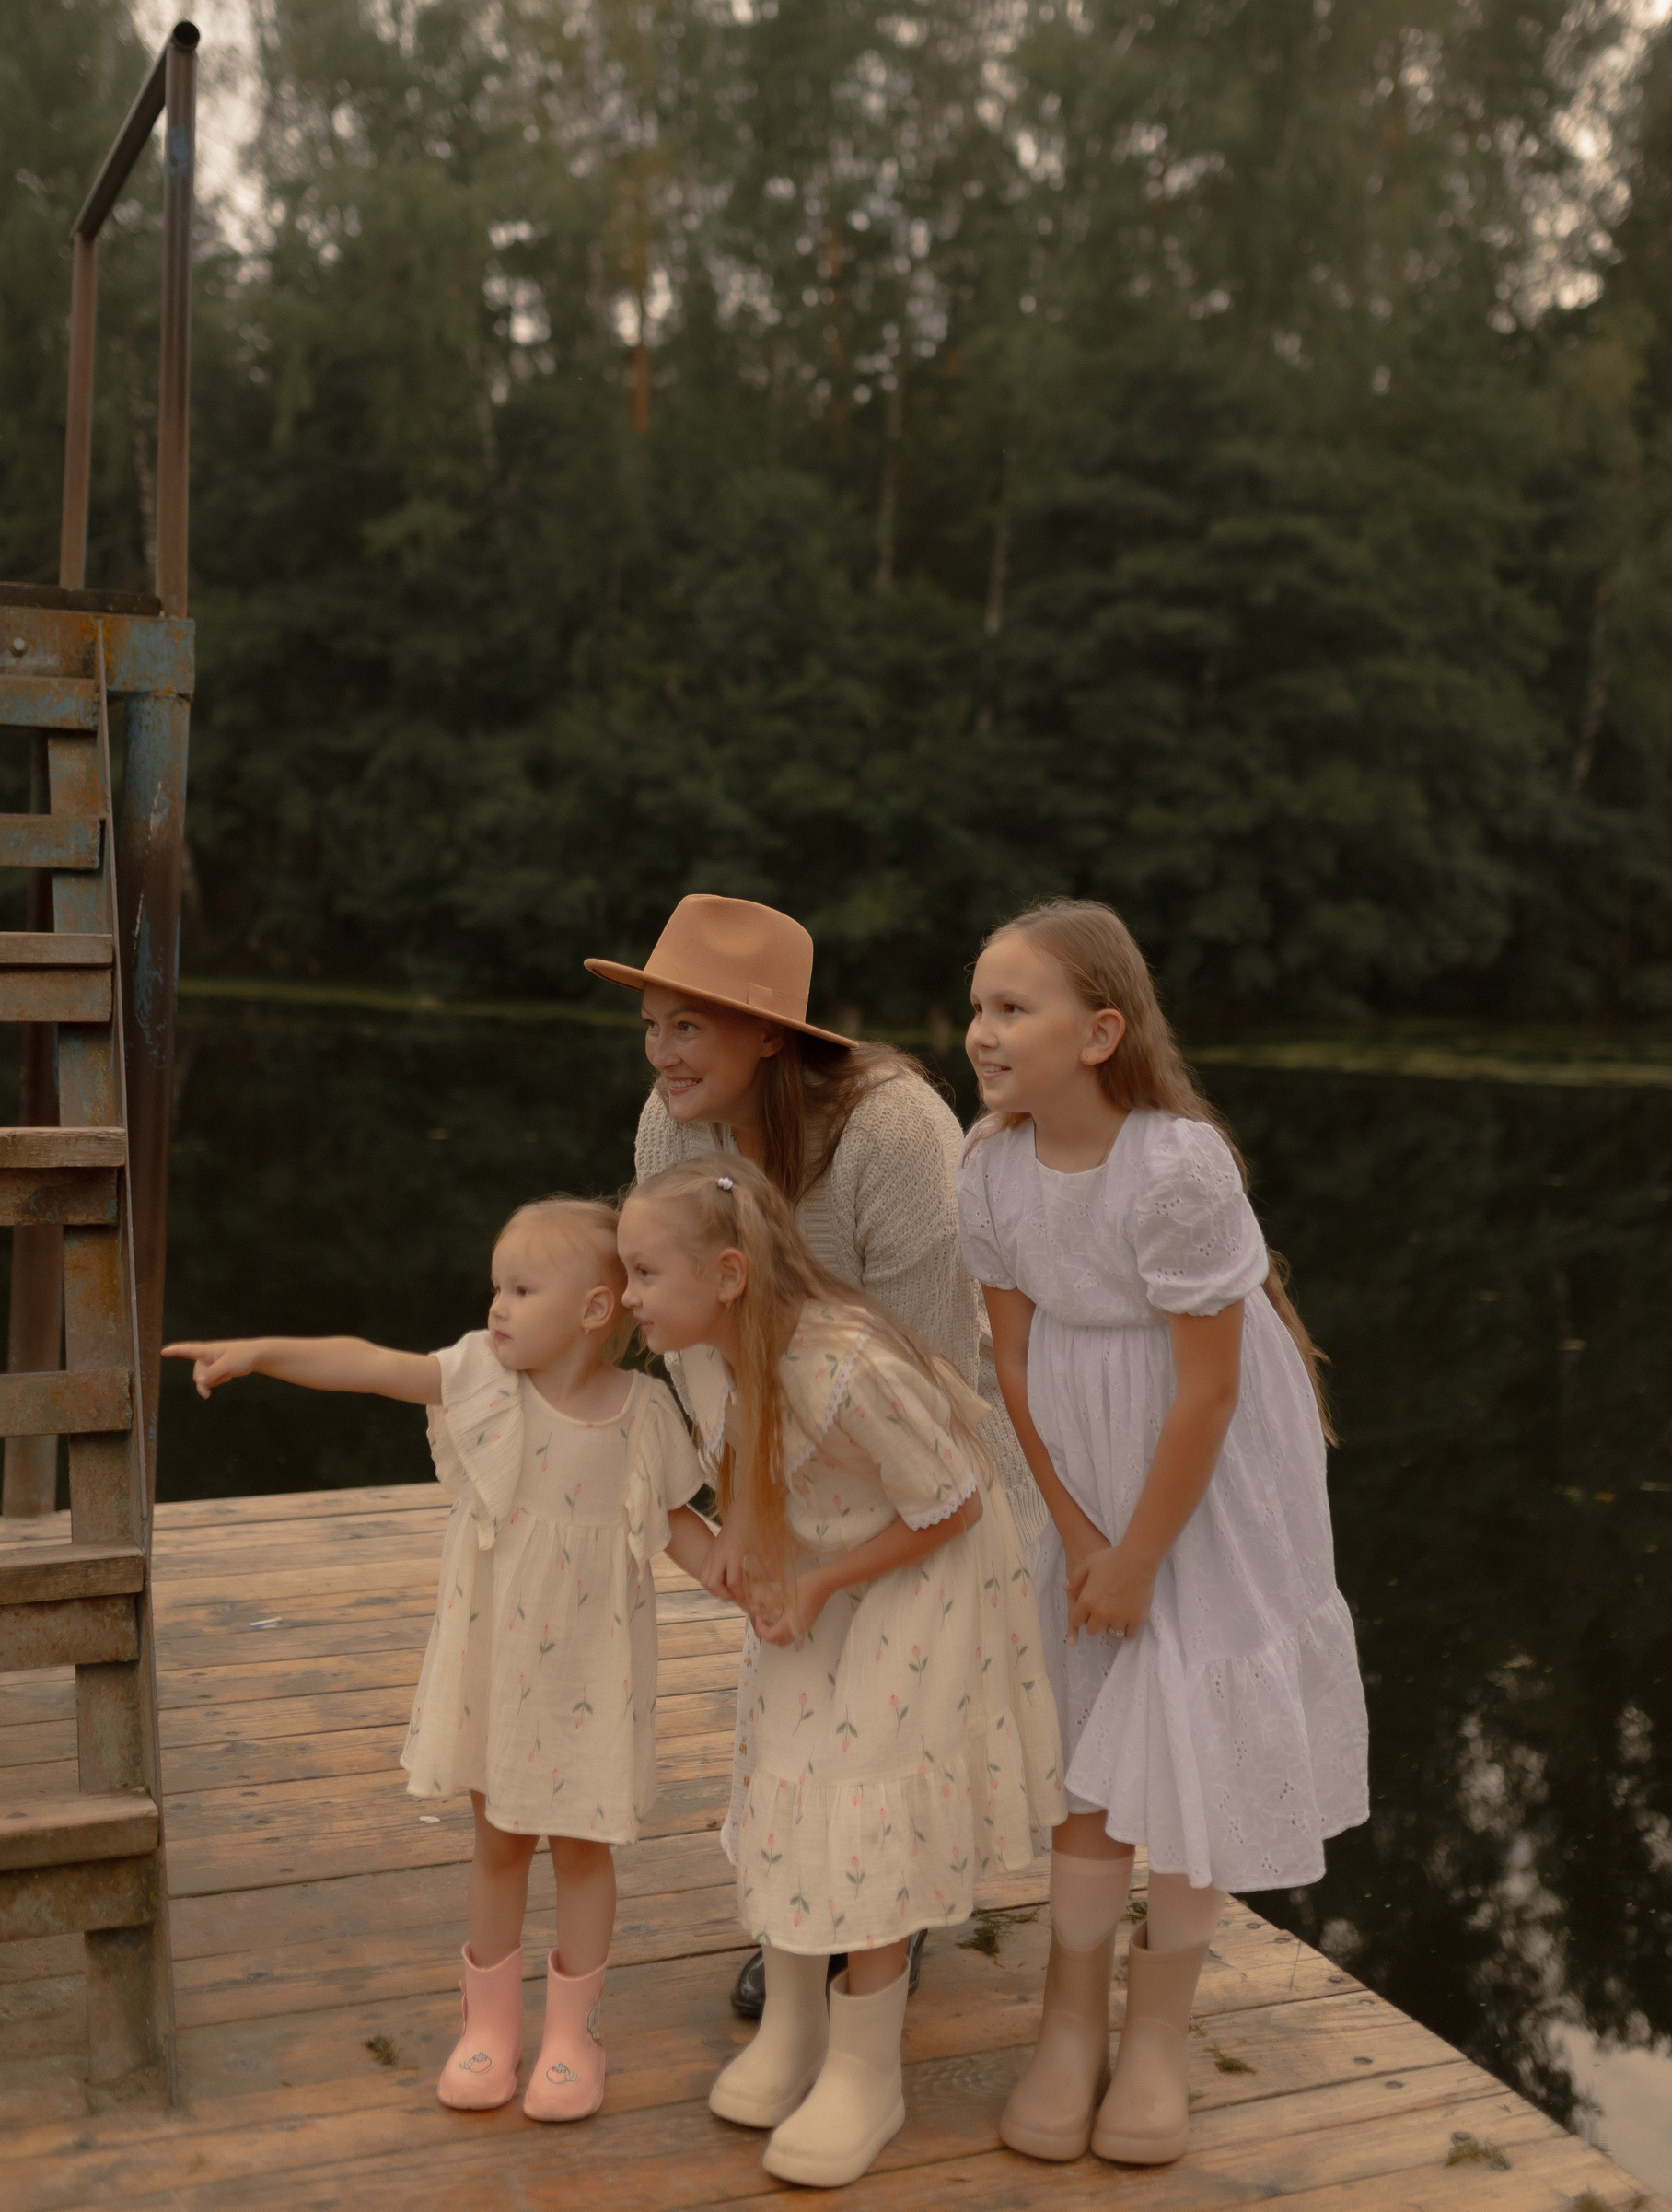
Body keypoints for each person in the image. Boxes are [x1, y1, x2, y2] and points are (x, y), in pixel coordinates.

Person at [955, 901, 1369, 2167]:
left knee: (1188, 1740)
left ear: (1099, 1033)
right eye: (976, 1008)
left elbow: (1208, 1389)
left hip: (1208, 1473)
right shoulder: (990, 1167)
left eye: (1011, 1009)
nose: (981, 1032)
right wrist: (1082, 1536)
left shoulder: (1176, 1167)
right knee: (1093, 1747)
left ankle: (1156, 2037)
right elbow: (1011, 1364)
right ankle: (1069, 2023)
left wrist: (1141, 1554)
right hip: (1080, 1459)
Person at [586, 891, 1044, 2016]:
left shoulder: (897, 1134)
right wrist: (745, 1510)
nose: (661, 1055)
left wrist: (833, 1545)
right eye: (652, 1027)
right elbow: (693, 1339)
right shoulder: (671, 1130)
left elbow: (927, 1365)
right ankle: (806, 1918)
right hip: (779, 1448)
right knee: (798, 1701)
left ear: (767, 1035)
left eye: (688, 1027)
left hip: (919, 1441)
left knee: (896, 1704)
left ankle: (888, 1920)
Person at [164, 1196, 711, 2124]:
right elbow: (371, 1364)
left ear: (594, 1308)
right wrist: (260, 1352)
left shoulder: (643, 1414)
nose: (497, 1306)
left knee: (583, 1849)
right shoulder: (482, 1382)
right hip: (497, 1667)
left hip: (589, 1676)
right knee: (498, 1840)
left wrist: (759, 1586)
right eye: (496, 1286)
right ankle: (488, 2030)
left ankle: (573, 2038)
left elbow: (680, 1524)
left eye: (522, 1289)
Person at [616, 1153, 1065, 2190]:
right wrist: (749, 1549)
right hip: (824, 1565)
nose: (628, 1295)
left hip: (918, 1574)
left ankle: (868, 2073)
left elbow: (952, 1503)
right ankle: (795, 2026)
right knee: (783, 1775)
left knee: (867, 1805)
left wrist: (821, 1584)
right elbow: (749, 1462)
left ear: (728, 1275)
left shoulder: (847, 1365)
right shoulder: (707, 1353)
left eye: (644, 1273)